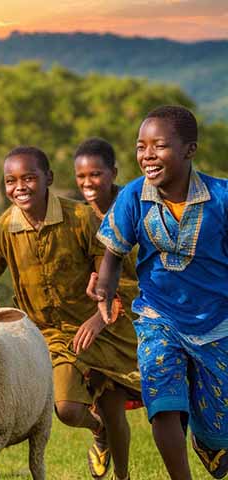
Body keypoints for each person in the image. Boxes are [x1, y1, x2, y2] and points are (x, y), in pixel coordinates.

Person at [0, 146, 141, 480]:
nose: (20, 187)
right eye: (11, 180)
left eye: (29, 178)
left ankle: (123, 476)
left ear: (49, 179)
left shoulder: (80, 218)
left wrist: (100, 318)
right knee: (67, 409)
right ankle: (98, 433)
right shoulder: (3, 228)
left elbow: (114, 276)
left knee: (114, 408)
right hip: (50, 336)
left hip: (101, 328)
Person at [89, 106, 228, 480]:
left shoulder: (221, 198)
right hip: (157, 317)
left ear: (190, 150)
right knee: (164, 403)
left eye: (160, 146)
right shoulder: (134, 196)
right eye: (141, 146)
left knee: (219, 431)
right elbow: (114, 251)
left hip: (217, 323)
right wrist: (105, 286)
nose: (148, 155)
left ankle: (209, 442)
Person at [73, 137, 143, 480]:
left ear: (114, 173)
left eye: (96, 175)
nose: (88, 184)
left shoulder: (135, 205)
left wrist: (108, 289)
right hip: (94, 321)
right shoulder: (77, 216)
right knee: (110, 406)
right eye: (81, 177)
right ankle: (121, 473)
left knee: (170, 404)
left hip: (137, 317)